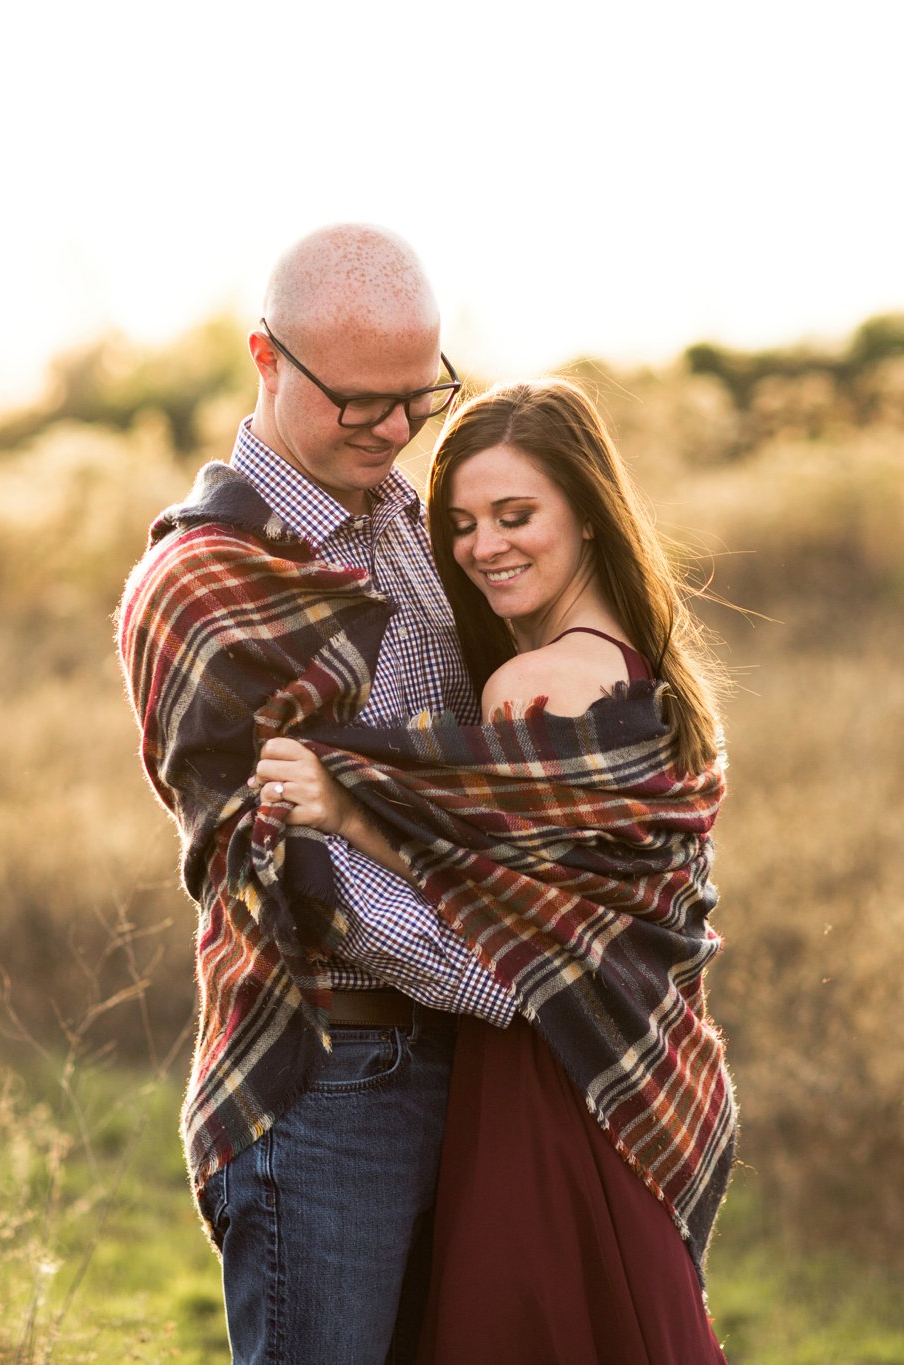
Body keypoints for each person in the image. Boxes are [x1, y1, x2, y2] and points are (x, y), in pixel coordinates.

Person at [253, 378, 733, 1362]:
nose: (483, 547)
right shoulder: (644, 669)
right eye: (461, 524)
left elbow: (491, 896)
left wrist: (346, 803)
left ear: (589, 516)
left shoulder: (530, 686)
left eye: (516, 516)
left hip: (541, 1087)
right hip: (618, 1081)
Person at [116, 223, 518, 1365]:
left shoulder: (428, 527)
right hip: (330, 1079)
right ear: (266, 358)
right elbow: (302, 873)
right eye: (359, 403)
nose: (395, 432)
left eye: (419, 397)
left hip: (475, 1064)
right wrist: (535, 984)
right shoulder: (200, 582)